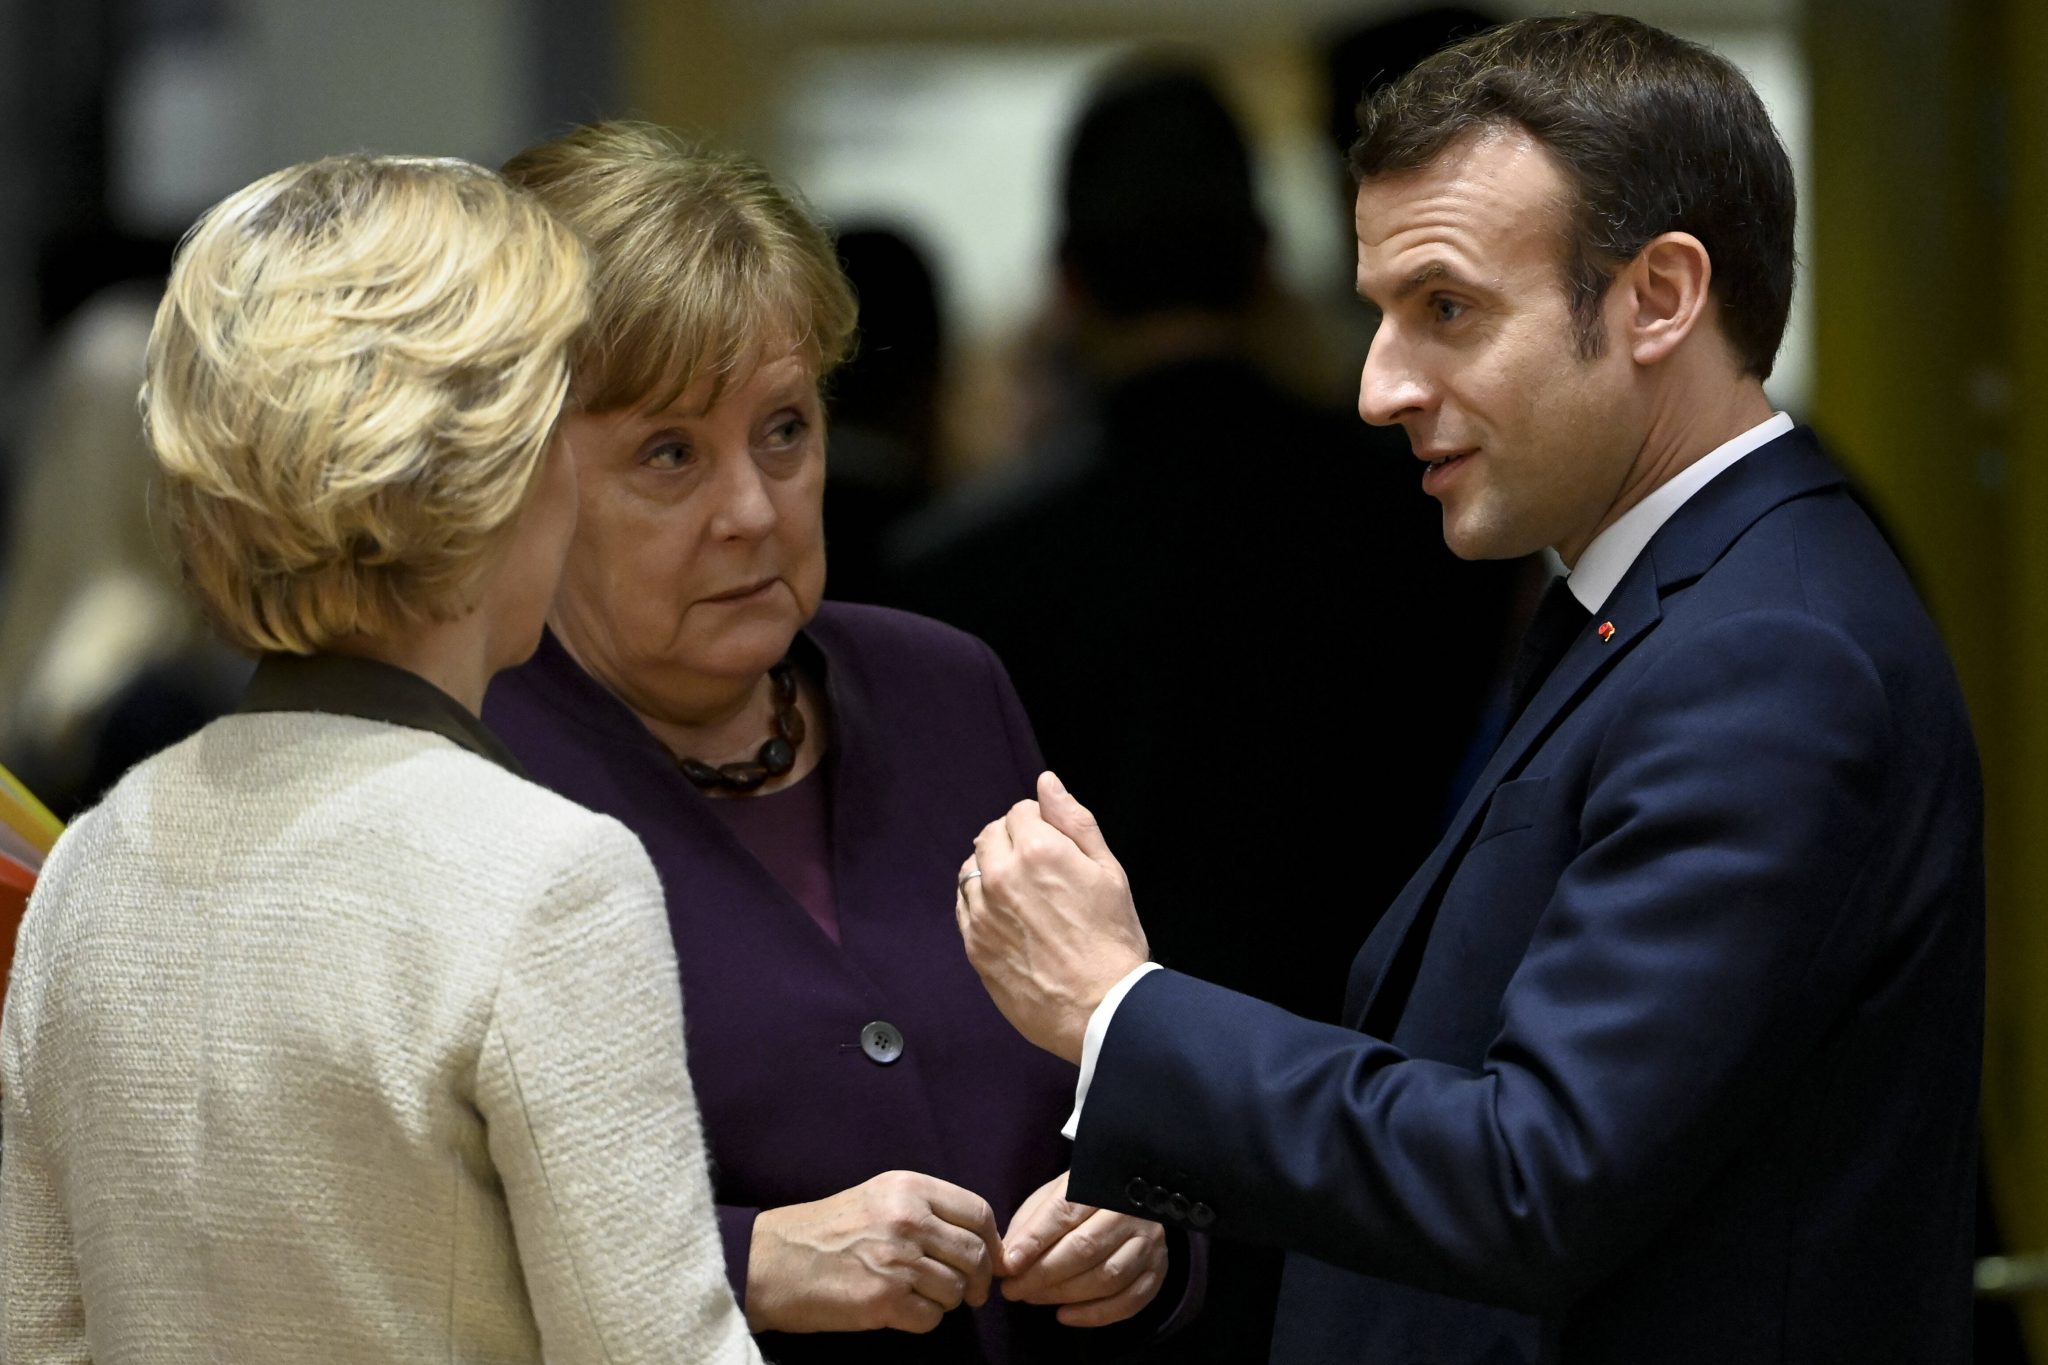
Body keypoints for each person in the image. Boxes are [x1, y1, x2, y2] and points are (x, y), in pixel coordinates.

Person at [954, 15, 1983, 1365]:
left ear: (1658, 298)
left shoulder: (1769, 654)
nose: (1378, 386)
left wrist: (1119, 1009)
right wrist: (1178, 1181)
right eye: (1380, 313)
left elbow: (1531, 1174)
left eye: (1446, 309)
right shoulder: (1668, 598)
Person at [0, 153, 760, 1363]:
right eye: (558, 416)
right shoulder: (544, 879)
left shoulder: (93, 870)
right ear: (492, 469)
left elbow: (35, 1340)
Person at [483, 122, 1194, 1365]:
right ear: (522, 473)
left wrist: (1143, 1215)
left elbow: (1113, 1081)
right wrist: (745, 1261)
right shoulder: (463, 775)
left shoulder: (938, 687)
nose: (751, 511)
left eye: (784, 430)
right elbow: (381, 1242)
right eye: (669, 454)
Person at [888, 60, 1507, 1363]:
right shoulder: (1440, 535)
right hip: (1393, 1152)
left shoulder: (966, 574)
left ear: (1064, 284)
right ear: (1274, 262)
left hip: (1088, 1199)